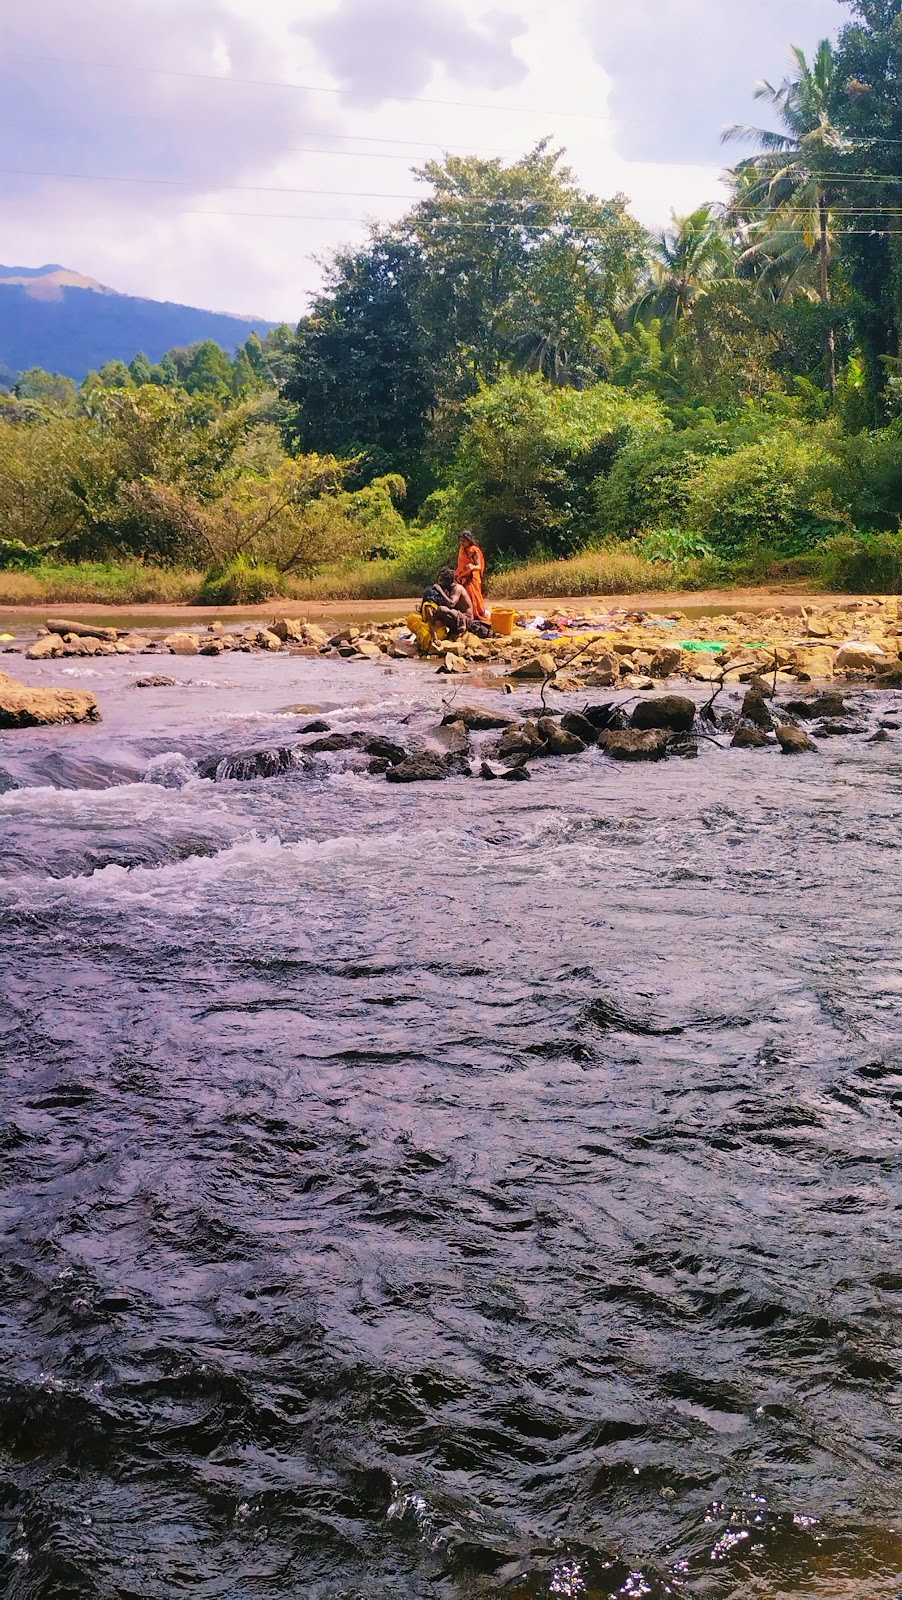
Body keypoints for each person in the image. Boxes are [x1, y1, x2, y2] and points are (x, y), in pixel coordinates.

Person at [421, 566, 473, 640]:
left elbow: (451, 604)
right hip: (456, 615)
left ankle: (459, 630)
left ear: (448, 581)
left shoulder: (457, 588)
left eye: (442, 581)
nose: (440, 583)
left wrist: (440, 590)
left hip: (465, 618)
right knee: (438, 611)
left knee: (442, 609)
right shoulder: (448, 590)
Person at [455, 532, 488, 621]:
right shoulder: (462, 549)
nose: (462, 543)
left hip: (472, 577)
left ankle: (477, 614)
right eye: (461, 541)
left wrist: (472, 567)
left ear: (469, 540)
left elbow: (479, 566)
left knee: (474, 597)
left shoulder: (474, 550)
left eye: (464, 541)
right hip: (462, 577)